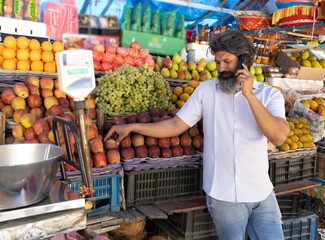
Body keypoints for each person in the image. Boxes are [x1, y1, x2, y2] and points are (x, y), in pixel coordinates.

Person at [105, 29, 289, 240]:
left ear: (244, 61)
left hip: (261, 192)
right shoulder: (206, 91)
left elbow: (278, 137)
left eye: (227, 62)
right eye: (218, 62)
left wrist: (249, 95)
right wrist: (133, 127)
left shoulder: (269, 95)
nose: (221, 68)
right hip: (224, 195)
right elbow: (175, 125)